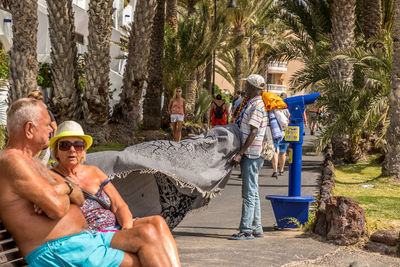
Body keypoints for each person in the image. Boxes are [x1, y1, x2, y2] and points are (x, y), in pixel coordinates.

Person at [0, 98, 181, 267]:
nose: (51, 129)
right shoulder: (12, 161)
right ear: (30, 129)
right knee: (145, 259)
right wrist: (62, 192)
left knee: (149, 236)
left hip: (80, 242)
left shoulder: (34, 164)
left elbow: (78, 197)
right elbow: (56, 208)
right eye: (47, 124)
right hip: (59, 249)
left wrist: (63, 187)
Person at [230, 74, 268, 240]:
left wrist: (240, 153)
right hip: (252, 152)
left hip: (251, 153)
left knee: (248, 193)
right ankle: (257, 227)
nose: (244, 88)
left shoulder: (257, 106)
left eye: (247, 85)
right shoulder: (253, 103)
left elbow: (254, 131)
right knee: (253, 191)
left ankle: (246, 229)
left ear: (253, 87)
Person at [27, 89, 57, 164]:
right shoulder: (28, 113)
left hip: (44, 147)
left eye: (32, 100)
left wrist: (52, 142)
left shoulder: (46, 112)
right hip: (32, 147)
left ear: (39, 100)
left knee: (41, 168)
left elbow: (54, 127)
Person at [271, 93, 290, 178]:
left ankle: (275, 171)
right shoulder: (287, 109)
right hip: (284, 132)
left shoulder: (274, 108)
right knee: (283, 152)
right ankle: (281, 170)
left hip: (275, 132)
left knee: (275, 151)